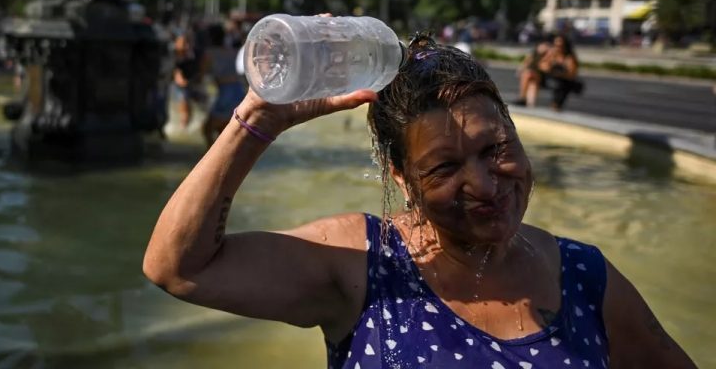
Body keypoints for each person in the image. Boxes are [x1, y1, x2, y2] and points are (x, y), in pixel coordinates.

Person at [143, 33, 696, 368]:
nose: (483, 184)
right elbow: (178, 267)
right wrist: (259, 120)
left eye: (496, 148)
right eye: (446, 167)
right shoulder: (363, 265)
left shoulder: (586, 278)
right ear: (401, 178)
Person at [198, 23, 247, 145]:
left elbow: (201, 76)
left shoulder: (209, 53)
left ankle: (211, 158)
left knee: (207, 130)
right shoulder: (232, 51)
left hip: (226, 92)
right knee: (224, 131)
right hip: (239, 91)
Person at [171, 33, 198, 131]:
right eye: (183, 43)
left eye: (187, 43)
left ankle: (186, 128)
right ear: (177, 44)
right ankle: (183, 128)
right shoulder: (175, 56)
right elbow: (176, 73)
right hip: (181, 87)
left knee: (188, 108)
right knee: (184, 108)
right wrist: (182, 81)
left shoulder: (190, 55)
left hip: (188, 85)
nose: (186, 45)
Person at [513, 41, 551, 108]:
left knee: (528, 74)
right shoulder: (532, 56)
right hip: (533, 77)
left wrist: (543, 58)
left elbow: (546, 69)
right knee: (532, 83)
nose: (541, 48)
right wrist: (520, 71)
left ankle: (522, 98)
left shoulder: (548, 56)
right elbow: (524, 64)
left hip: (543, 77)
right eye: (541, 46)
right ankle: (530, 103)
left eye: (544, 47)